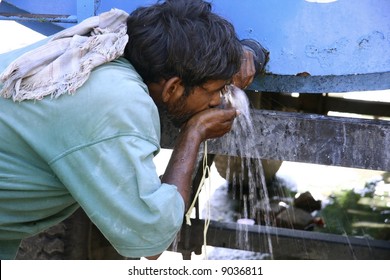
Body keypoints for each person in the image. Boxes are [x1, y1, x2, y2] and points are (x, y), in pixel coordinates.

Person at [0, 0, 261, 259]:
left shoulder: (106, 45)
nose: (217, 101)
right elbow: (151, 237)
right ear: (172, 88)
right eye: (214, 91)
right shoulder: (118, 105)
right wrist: (193, 133)